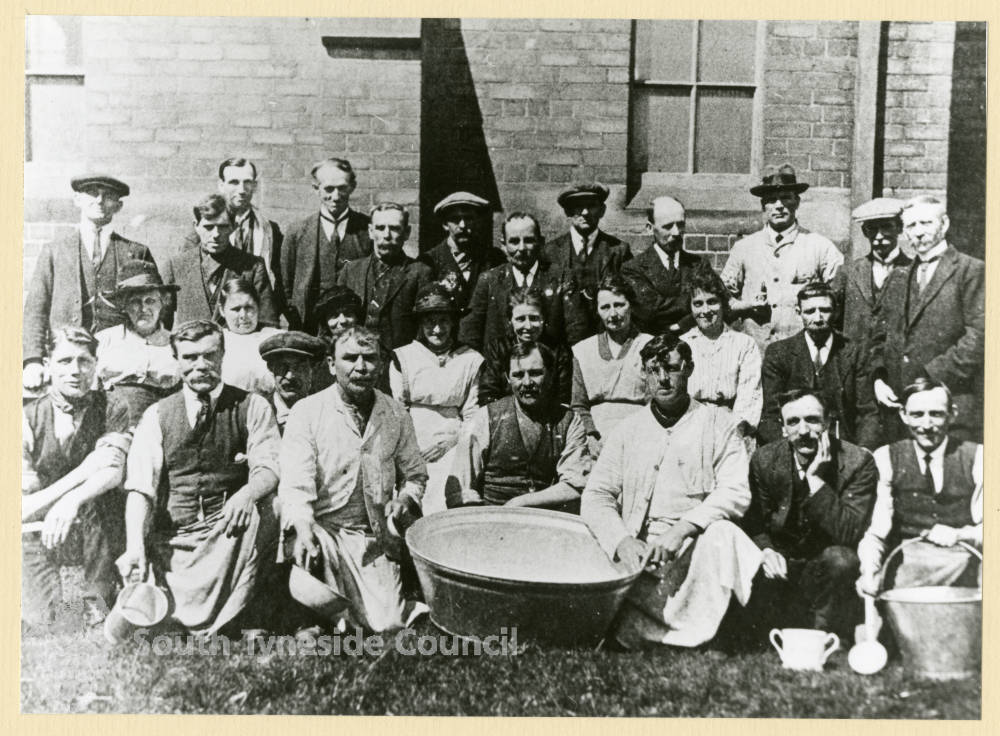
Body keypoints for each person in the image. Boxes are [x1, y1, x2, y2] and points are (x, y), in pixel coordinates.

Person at [581, 332, 761, 648]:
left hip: (693, 556)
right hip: (640, 560)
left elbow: (735, 490)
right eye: (654, 371)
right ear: (644, 374)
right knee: (590, 539)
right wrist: (622, 541)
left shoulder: (718, 423)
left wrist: (682, 529)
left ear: (689, 369)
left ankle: (728, 633)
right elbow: (596, 495)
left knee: (725, 534)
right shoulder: (627, 430)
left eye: (673, 369)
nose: (664, 380)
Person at [116, 320, 281, 636]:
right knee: (131, 625)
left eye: (210, 355)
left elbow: (269, 467)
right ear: (176, 360)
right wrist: (135, 545)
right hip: (176, 540)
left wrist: (247, 494)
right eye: (190, 357)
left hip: (230, 534)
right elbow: (140, 487)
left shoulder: (253, 406)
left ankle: (243, 616)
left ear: (223, 355)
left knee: (272, 506)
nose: (201, 366)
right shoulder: (157, 416)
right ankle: (174, 614)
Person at [278, 327, 428, 633]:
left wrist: (404, 498)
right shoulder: (307, 412)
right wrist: (305, 529)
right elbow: (295, 487)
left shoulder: (395, 413)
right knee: (309, 562)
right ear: (332, 365)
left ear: (382, 364)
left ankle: (346, 615)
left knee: (389, 623)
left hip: (372, 536)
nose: (361, 367)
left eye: (370, 358)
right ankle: (309, 620)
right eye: (350, 358)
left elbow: (415, 474)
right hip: (324, 530)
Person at [742, 389, 877, 639]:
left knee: (841, 559)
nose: (803, 431)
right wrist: (767, 551)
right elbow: (754, 523)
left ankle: (820, 633)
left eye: (812, 420)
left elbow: (848, 532)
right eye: (793, 422)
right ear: (783, 428)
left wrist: (815, 480)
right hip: (782, 563)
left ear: (828, 423)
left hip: (826, 567)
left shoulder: (858, 462)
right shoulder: (765, 459)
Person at [22, 327, 132, 628]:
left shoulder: (113, 406)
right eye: (65, 361)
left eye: (84, 361)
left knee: (104, 501)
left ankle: (95, 601)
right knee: (46, 620)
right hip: (42, 528)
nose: (75, 371)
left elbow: (112, 470)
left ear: (96, 364)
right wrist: (84, 472)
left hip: (96, 527)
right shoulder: (25, 417)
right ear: (47, 365)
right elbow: (19, 509)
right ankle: (57, 612)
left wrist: (73, 500)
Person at [24, 174, 156, 392]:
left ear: (119, 206)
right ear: (77, 199)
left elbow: (157, 309)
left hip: (121, 366)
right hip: (68, 363)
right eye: (92, 193)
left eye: (109, 196)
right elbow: (35, 311)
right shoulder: (55, 251)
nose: (99, 200)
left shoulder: (137, 252)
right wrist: (32, 361)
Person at [870, 196, 984, 443]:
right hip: (899, 409)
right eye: (911, 226)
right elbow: (878, 334)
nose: (919, 233)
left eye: (926, 223)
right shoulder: (898, 276)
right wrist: (878, 378)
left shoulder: (971, 270)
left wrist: (929, 377)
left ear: (944, 225)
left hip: (948, 407)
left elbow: (980, 338)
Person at [857, 379, 982, 596]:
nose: (926, 425)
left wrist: (961, 534)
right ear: (903, 415)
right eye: (917, 415)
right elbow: (876, 533)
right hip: (908, 567)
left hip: (964, 566)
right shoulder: (886, 457)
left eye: (936, 414)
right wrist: (869, 571)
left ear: (952, 414)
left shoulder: (978, 457)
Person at [447, 341, 591, 510]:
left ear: (551, 375)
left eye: (536, 373)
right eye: (518, 375)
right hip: (493, 519)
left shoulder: (568, 420)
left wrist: (520, 502)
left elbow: (575, 485)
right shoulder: (486, 417)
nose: (527, 382)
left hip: (545, 519)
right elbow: (459, 490)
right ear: (508, 378)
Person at [721, 164, 844, 352]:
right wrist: (747, 306)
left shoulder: (819, 246)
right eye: (771, 200)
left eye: (786, 198)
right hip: (755, 352)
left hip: (802, 353)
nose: (779, 206)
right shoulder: (744, 248)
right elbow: (723, 298)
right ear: (764, 205)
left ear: (797, 202)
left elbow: (839, 298)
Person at [390, 285, 484, 514]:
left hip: (454, 439)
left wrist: (452, 439)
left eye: (444, 321)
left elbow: (472, 413)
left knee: (449, 493)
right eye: (430, 322)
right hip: (412, 438)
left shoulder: (471, 359)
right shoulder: (403, 357)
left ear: (453, 322)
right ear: (421, 325)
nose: (437, 329)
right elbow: (398, 410)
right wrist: (411, 447)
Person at [758, 283, 880, 449]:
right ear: (798, 312)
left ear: (836, 311)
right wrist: (787, 456)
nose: (817, 318)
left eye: (825, 310)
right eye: (810, 311)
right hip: (796, 445)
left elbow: (867, 412)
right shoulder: (779, 353)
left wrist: (862, 452)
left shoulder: (855, 352)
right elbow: (771, 416)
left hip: (844, 446)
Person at [281, 158, 372, 334]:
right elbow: (286, 287)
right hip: (309, 330)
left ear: (352, 187)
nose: (336, 196)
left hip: (354, 330)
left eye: (342, 188)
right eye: (329, 189)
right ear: (316, 189)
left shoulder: (368, 230)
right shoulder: (297, 232)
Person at [337, 203, 434, 364]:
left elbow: (424, 328)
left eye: (394, 228)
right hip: (356, 362)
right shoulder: (351, 271)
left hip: (400, 365)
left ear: (407, 232)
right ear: (370, 231)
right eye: (380, 228)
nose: (387, 234)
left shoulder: (420, 273)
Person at [162, 194, 278, 328]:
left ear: (234, 226)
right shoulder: (175, 266)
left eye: (222, 226)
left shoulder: (253, 266)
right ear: (196, 226)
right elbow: (162, 325)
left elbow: (268, 323)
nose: (216, 234)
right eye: (208, 227)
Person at [459, 212, 569, 352]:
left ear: (541, 242)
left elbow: (576, 333)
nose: (522, 248)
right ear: (503, 245)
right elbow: (469, 335)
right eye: (514, 241)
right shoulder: (488, 281)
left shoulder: (562, 277)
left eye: (529, 240)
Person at [95, 259, 182, 426]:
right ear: (124, 306)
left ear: (163, 303)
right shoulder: (103, 341)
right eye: (135, 301)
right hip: (115, 425)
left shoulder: (177, 343)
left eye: (150, 301)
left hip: (163, 425)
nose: (143, 309)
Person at [543, 183, 632, 344]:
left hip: (606, 340)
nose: (585, 212)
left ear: (602, 210)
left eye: (591, 206)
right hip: (562, 343)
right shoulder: (550, 252)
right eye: (578, 207)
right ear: (568, 211)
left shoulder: (619, 251)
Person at [570, 274, 652, 445]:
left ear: (631, 306)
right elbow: (578, 405)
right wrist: (590, 436)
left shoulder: (649, 345)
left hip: (639, 433)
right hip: (595, 437)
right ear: (597, 311)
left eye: (619, 305)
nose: (613, 314)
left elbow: (654, 401)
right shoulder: (582, 351)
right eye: (605, 307)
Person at [620, 196, 709, 336]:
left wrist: (684, 324)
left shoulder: (698, 264)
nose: (676, 232)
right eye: (668, 226)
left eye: (680, 224)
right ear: (650, 228)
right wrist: (696, 302)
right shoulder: (632, 268)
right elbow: (650, 311)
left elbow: (715, 302)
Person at [832, 197, 912, 352]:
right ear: (864, 231)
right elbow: (832, 319)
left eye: (886, 227)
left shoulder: (914, 271)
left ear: (900, 228)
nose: (879, 236)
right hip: (855, 365)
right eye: (872, 229)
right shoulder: (847, 272)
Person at [479, 287, 573, 406]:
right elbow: (488, 393)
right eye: (520, 319)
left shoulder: (558, 351)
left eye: (534, 318)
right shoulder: (498, 348)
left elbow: (563, 397)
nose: (528, 326)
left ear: (543, 319)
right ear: (510, 320)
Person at [421, 192, 505, 311]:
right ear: (445, 224)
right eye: (455, 219)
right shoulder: (429, 262)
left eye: (469, 218)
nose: (462, 225)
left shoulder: (495, 258)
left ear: (478, 221)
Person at [218, 278, 283, 396]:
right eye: (236, 309)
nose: (243, 315)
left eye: (249, 308)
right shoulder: (217, 341)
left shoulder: (276, 338)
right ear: (222, 310)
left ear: (258, 307)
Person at [258, 331, 328, 434]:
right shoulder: (259, 411)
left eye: (298, 368)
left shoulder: (325, 411)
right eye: (282, 367)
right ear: (271, 368)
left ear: (312, 369)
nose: (290, 376)